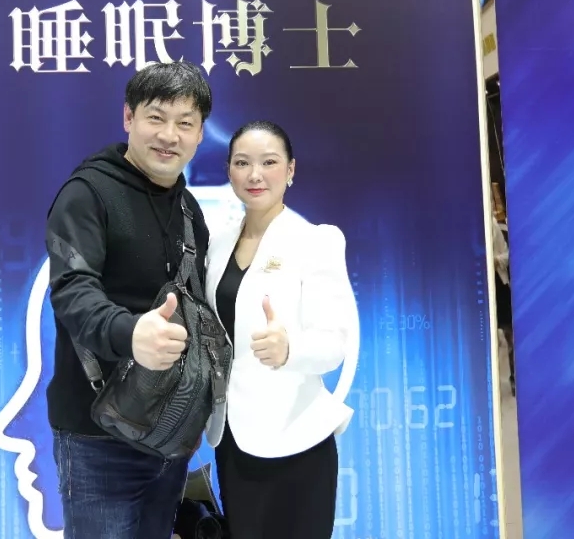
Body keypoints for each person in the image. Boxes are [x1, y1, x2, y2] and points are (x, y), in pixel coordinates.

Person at [44, 62, 213, 539]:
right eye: (156, 117)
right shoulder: (87, 194)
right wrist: (131, 333)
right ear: (128, 117)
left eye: (185, 123)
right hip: (96, 438)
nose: (169, 135)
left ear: (200, 133)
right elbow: (72, 291)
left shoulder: (188, 210)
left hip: (170, 434)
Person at [205, 120, 358, 539]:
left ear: (290, 170)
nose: (255, 174)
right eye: (242, 163)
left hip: (297, 436)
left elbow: (334, 344)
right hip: (233, 438)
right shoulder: (217, 243)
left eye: (269, 162)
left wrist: (290, 349)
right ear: (229, 171)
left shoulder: (316, 241)